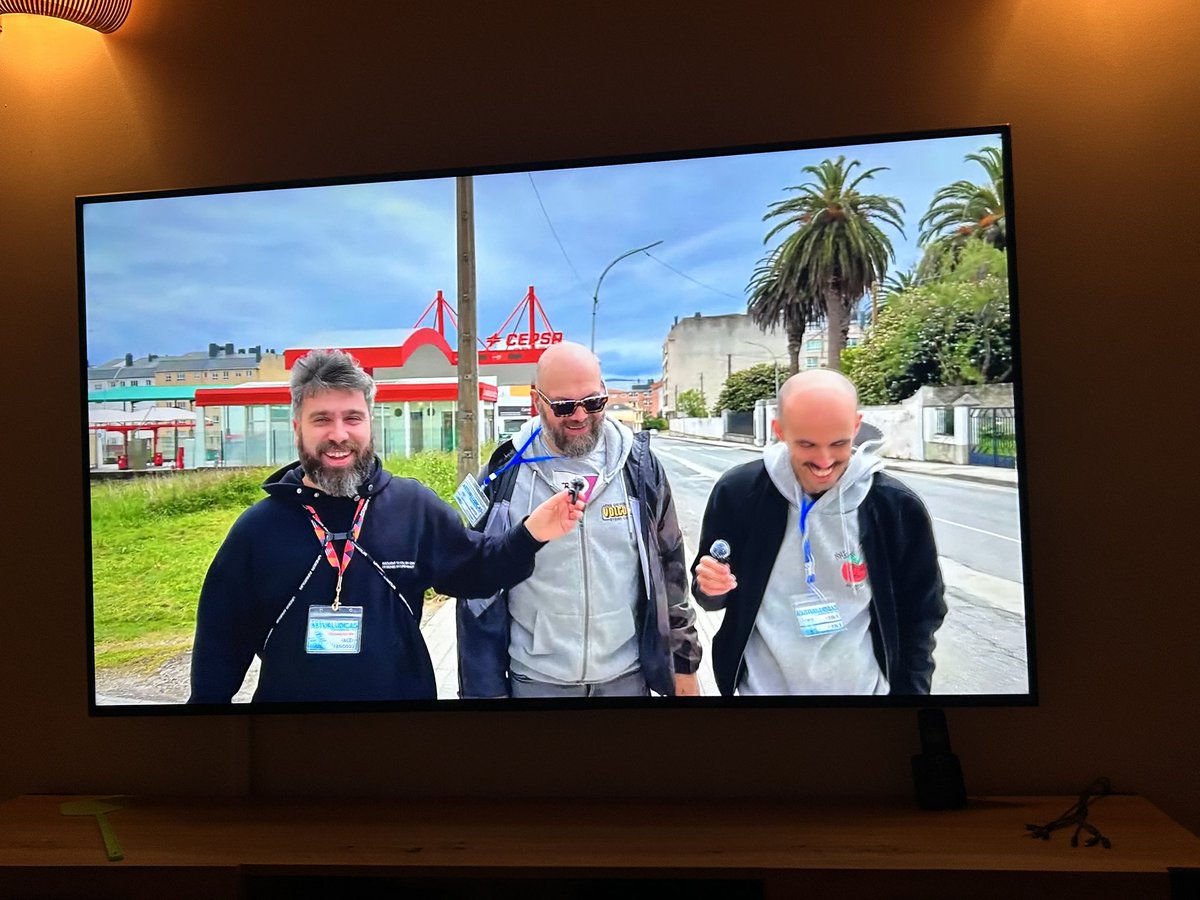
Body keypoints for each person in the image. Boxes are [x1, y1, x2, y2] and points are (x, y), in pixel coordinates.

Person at [188, 349, 582, 704]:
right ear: (297, 428)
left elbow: (476, 571)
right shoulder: (258, 530)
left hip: (401, 735)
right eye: (321, 419)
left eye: (352, 418)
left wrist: (531, 533)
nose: (339, 434)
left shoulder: (412, 508)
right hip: (290, 740)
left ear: (369, 424)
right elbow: (220, 647)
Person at [456, 341, 702, 698]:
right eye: (563, 406)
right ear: (537, 400)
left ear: (604, 393)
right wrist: (483, 693)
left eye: (593, 402)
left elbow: (671, 571)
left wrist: (684, 667)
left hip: (628, 678)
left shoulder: (641, 468)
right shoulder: (503, 475)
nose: (580, 415)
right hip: (536, 682)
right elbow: (475, 591)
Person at [692, 369, 946, 696]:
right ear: (779, 431)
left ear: (856, 427)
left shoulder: (895, 507)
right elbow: (709, 594)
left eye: (839, 443)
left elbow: (923, 613)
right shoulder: (738, 492)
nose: (824, 461)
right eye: (807, 444)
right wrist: (710, 587)